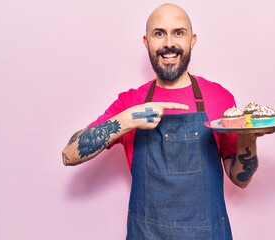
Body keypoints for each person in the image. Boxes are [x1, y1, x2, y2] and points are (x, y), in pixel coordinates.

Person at [62, 3, 263, 239]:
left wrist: (249, 137)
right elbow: (69, 154)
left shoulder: (220, 98)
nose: (169, 43)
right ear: (147, 42)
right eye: (159, 33)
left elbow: (240, 179)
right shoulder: (131, 101)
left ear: (192, 40)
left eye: (178, 32)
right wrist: (128, 119)